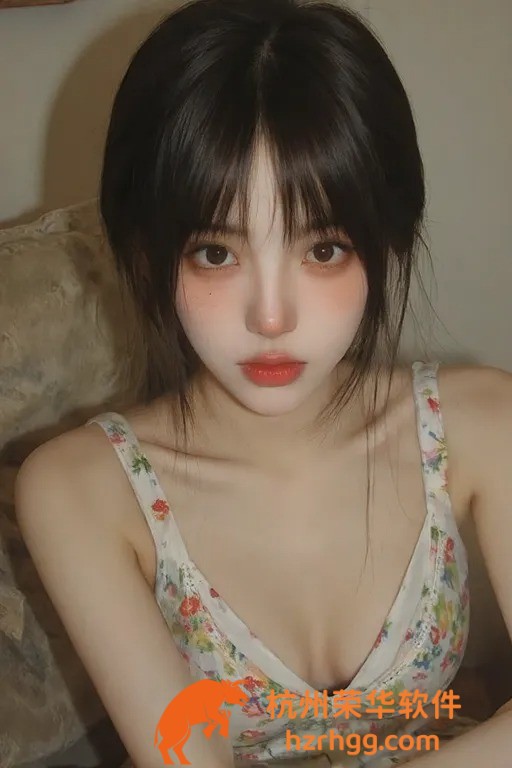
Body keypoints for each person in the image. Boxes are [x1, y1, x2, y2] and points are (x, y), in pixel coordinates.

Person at [13, 0, 512, 766]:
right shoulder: (82, 490)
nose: (270, 317)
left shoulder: (483, 424)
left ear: (386, 239)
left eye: (323, 249)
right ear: (147, 254)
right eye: (216, 253)